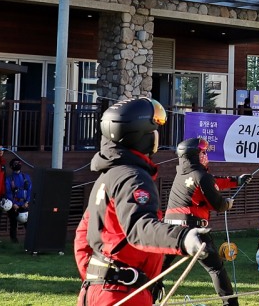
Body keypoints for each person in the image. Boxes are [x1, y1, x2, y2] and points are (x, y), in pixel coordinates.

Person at [74, 97, 210, 306]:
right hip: (123, 294)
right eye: (154, 128)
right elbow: (140, 227)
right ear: (140, 134)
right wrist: (183, 238)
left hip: (98, 291)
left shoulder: (107, 177)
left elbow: (83, 236)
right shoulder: (133, 177)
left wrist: (96, 277)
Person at [163, 137, 252, 306]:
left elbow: (213, 181)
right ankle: (230, 304)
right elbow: (217, 204)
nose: (206, 156)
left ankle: (145, 298)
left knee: (158, 270)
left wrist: (237, 180)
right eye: (203, 152)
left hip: (169, 230)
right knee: (215, 268)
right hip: (193, 230)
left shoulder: (181, 174)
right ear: (194, 156)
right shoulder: (201, 176)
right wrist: (227, 204)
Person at [5, 157, 32, 243]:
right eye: (15, 163)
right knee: (13, 224)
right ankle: (14, 242)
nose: (18, 165)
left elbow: (30, 190)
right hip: (14, 205)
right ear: (11, 166)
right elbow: (8, 192)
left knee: (28, 224)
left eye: (19, 163)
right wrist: (13, 203)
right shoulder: (9, 179)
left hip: (24, 204)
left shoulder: (26, 177)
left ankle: (30, 241)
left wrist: (27, 202)